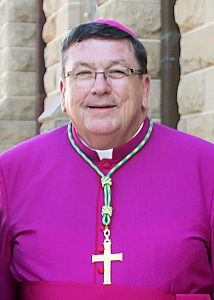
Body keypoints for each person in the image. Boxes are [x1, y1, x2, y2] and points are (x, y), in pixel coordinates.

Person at [0, 19, 214, 300]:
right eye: (83, 73)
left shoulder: (205, 166)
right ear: (63, 92)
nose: (99, 87)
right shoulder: (10, 172)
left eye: (117, 71)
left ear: (145, 89)